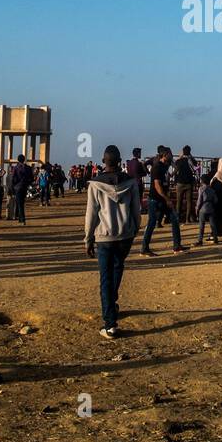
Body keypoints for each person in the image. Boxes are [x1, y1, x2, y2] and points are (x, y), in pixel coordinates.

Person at [84, 145, 140, 339]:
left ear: (103, 160)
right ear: (119, 161)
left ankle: (109, 323)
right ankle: (112, 305)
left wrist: (88, 238)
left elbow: (91, 214)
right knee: (117, 269)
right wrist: (134, 229)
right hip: (125, 234)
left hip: (104, 236)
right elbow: (136, 209)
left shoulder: (95, 185)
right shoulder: (130, 182)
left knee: (105, 278)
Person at [141, 147, 185, 255]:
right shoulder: (157, 167)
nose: (171, 155)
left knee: (174, 218)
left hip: (162, 199)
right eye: (170, 154)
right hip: (155, 199)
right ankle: (144, 248)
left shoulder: (165, 167)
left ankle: (177, 246)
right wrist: (167, 199)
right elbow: (157, 186)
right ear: (165, 155)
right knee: (151, 223)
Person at [175, 145, 198, 230]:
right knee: (189, 202)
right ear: (190, 151)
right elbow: (196, 166)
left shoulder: (179, 161)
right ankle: (187, 219)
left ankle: (177, 218)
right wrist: (190, 156)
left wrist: (180, 156)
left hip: (180, 183)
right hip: (189, 183)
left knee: (179, 201)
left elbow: (176, 168)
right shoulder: (190, 160)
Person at [8, 154, 33, 224]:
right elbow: (31, 178)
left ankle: (22, 219)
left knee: (20, 203)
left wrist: (12, 188)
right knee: (21, 202)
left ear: (18, 160)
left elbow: (13, 179)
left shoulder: (15, 168)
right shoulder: (28, 168)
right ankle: (20, 218)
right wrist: (27, 183)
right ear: (24, 159)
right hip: (24, 187)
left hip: (17, 187)